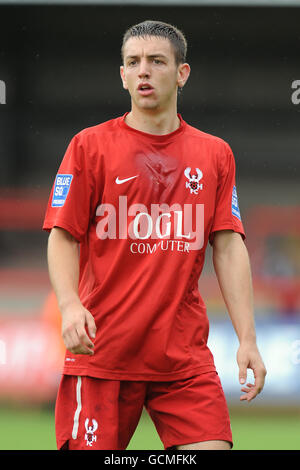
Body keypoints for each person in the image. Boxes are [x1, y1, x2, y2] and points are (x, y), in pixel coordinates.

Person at [43, 20, 266, 451]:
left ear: (182, 73)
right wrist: (69, 305)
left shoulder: (215, 153)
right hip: (102, 353)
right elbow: (62, 235)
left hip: (183, 358)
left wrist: (248, 338)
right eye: (133, 62)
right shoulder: (88, 147)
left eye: (156, 61)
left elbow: (227, 245)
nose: (143, 71)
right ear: (122, 75)